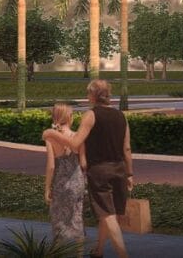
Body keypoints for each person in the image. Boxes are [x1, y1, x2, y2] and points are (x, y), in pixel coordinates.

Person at [76, 79, 131, 258]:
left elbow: (77, 141)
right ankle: (98, 250)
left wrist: (52, 135)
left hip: (99, 170)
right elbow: (127, 149)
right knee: (108, 212)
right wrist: (130, 173)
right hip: (120, 168)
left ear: (93, 95)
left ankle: (123, 255)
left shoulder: (90, 115)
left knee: (107, 214)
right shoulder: (121, 116)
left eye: (88, 93)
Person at [41, 102, 87, 251]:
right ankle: (79, 254)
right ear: (69, 117)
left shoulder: (50, 137)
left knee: (58, 218)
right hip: (77, 182)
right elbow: (84, 163)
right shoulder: (78, 137)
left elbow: (51, 166)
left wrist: (47, 188)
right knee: (77, 216)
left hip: (60, 183)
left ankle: (57, 252)